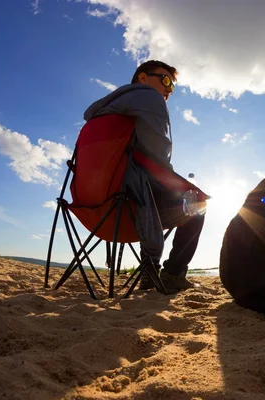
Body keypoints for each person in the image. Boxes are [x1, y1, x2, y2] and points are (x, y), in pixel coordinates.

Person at [83, 60, 206, 294]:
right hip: (129, 199)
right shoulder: (148, 97)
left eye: (173, 86)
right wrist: (177, 183)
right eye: (165, 80)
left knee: (161, 195)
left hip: (94, 204)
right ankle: (172, 274)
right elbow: (159, 153)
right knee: (197, 205)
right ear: (143, 78)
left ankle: (154, 270)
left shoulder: (103, 111)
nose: (169, 89)